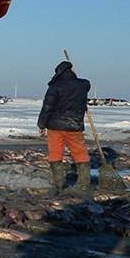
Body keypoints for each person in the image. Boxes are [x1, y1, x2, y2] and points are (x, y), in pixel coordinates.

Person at [37, 59, 92, 193]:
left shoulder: (54, 87)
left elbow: (47, 108)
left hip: (55, 126)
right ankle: (84, 183)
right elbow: (87, 85)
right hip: (75, 126)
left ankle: (59, 183)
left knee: (55, 152)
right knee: (80, 152)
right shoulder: (82, 85)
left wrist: (41, 124)